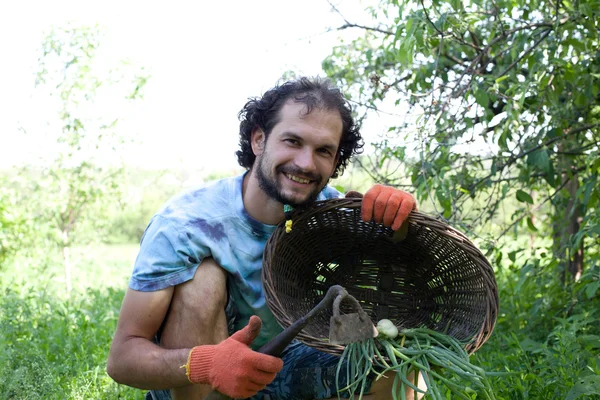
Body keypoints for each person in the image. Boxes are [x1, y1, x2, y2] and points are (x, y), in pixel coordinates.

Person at [107, 76, 422, 400]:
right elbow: (122, 359)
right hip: (202, 378)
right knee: (203, 280)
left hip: (289, 367)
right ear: (259, 140)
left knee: (397, 362)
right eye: (293, 141)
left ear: (335, 161)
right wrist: (205, 363)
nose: (305, 163)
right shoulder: (184, 225)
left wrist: (399, 223)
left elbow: (404, 267)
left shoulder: (332, 214)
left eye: (323, 150)